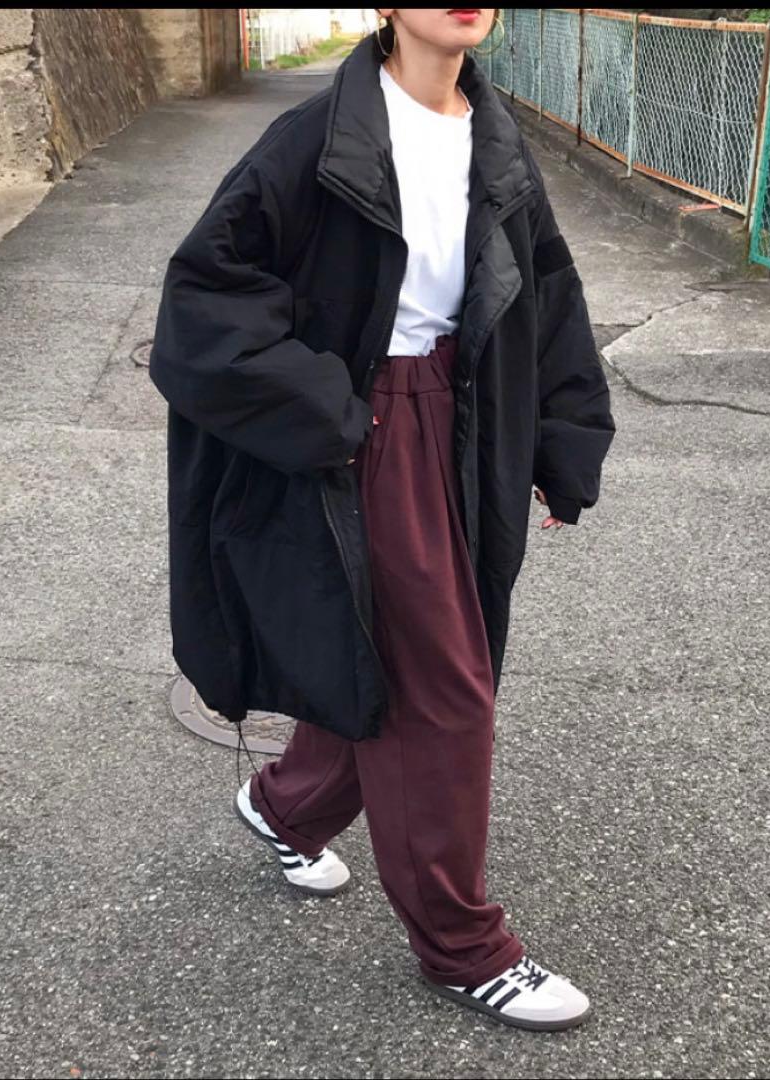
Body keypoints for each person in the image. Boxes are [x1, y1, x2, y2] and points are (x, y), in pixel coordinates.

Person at [148, 9, 615, 1033]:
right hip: (370, 427)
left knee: (380, 653)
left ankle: (283, 806)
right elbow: (203, 299)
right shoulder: (316, 141)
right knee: (446, 688)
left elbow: (547, 297)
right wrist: (333, 413)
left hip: (471, 418)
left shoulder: (494, 137)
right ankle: (461, 946)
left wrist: (560, 441)